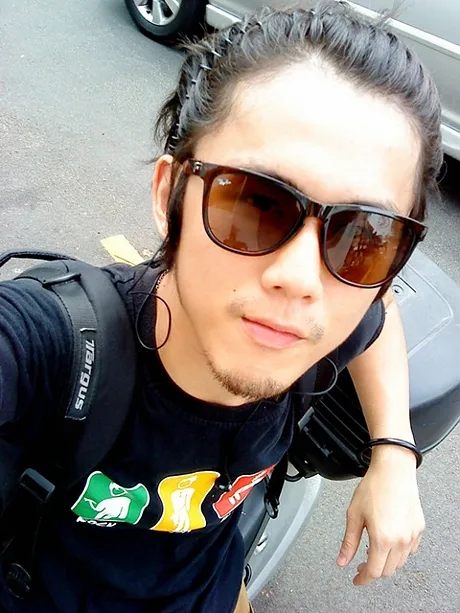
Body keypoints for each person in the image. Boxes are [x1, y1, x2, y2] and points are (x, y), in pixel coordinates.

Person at [0, 1, 443, 612]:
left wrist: (393, 452)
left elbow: (378, 312)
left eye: (364, 237)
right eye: (255, 203)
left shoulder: (328, 314)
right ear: (170, 194)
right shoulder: (51, 352)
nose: (300, 280)